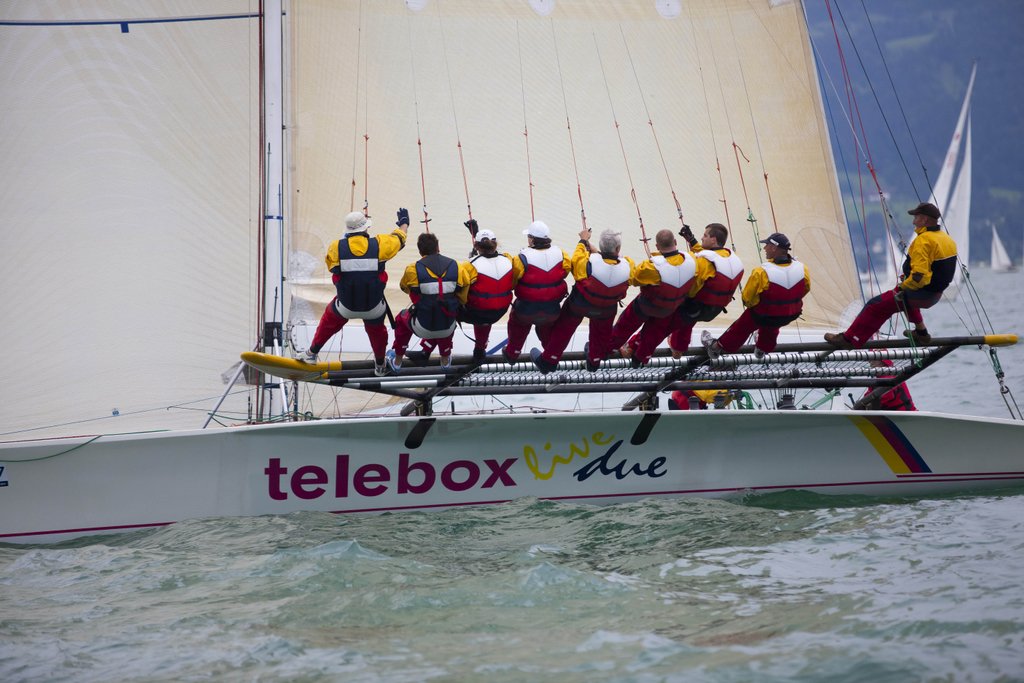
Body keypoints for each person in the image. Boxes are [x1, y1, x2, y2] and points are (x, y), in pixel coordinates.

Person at [825, 202, 957, 349]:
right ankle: (922, 333)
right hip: (935, 294)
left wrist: (903, 286)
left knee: (874, 305)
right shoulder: (946, 239)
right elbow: (936, 270)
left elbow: (919, 277)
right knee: (904, 298)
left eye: (916, 217)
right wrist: (906, 283)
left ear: (924, 219)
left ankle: (849, 339)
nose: (913, 222)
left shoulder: (924, 240)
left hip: (923, 293)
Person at [301, 208, 409, 376]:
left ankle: (312, 353)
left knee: (328, 321)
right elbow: (399, 239)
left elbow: (333, 268)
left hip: (346, 306)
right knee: (377, 332)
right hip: (374, 307)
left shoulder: (336, 247)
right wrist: (404, 223)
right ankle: (380, 365)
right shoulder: (380, 244)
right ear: (366, 228)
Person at [531, 228, 635, 373]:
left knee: (563, 330)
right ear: (618, 249)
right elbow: (620, 269)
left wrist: (583, 240)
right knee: (600, 334)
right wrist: (597, 252)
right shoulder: (628, 266)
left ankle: (549, 360)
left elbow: (575, 261)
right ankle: (594, 361)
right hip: (605, 310)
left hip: (579, 306)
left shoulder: (586, 263)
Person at [410, 222, 516, 363]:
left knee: (448, 308)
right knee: (486, 310)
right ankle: (479, 351)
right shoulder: (508, 259)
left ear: (477, 246)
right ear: (495, 244)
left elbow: (461, 292)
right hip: (500, 311)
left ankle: (427, 350)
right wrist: (475, 236)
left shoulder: (469, 266)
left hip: (476, 313)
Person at [607, 229, 714, 367]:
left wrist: (625, 260)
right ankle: (640, 357)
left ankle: (609, 348)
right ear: (675, 242)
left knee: (626, 323)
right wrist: (693, 242)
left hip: (647, 306)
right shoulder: (692, 261)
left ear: (657, 246)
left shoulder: (652, 267)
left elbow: (632, 278)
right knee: (654, 332)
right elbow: (706, 256)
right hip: (670, 308)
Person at [703, 232, 810, 359]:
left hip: (764, 316)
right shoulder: (802, 268)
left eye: (767, 245)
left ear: (774, 248)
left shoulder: (761, 272)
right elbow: (805, 289)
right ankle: (762, 349)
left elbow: (747, 299)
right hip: (791, 314)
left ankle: (717, 347)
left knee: (743, 325)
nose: (764, 248)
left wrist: (760, 305)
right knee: (773, 324)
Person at [385, 232, 468, 373]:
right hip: (447, 327)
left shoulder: (413, 269)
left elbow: (405, 288)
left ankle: (397, 361)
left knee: (401, 318)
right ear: (438, 247)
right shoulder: (457, 266)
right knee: (447, 314)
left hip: (422, 327)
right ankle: (445, 359)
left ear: (420, 251)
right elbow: (464, 293)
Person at [667, 223, 744, 357]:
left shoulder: (704, 262)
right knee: (688, 317)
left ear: (713, 240)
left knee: (671, 316)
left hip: (697, 308)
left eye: (705, 235)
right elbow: (709, 256)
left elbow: (693, 287)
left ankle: (675, 348)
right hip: (714, 309)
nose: (702, 238)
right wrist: (692, 241)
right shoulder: (729, 257)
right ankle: (679, 346)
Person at [503, 221, 571, 363]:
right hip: (552, 310)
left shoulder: (521, 258)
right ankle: (549, 353)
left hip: (525, 311)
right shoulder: (562, 254)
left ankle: (513, 353)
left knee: (518, 325)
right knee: (546, 327)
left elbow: (512, 283)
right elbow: (565, 272)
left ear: (532, 239)